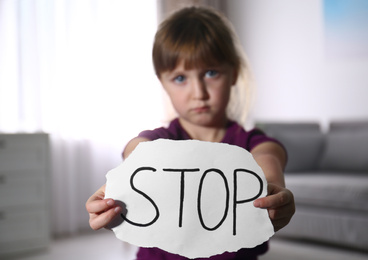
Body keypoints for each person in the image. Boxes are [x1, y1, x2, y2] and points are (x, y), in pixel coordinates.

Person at [86, 6, 295, 260]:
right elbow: (137, 149)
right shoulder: (160, 140)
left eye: (210, 73)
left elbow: (269, 158)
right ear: (163, 83)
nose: (198, 92)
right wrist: (117, 193)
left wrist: (273, 192)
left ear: (234, 73)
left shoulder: (252, 142)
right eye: (180, 78)